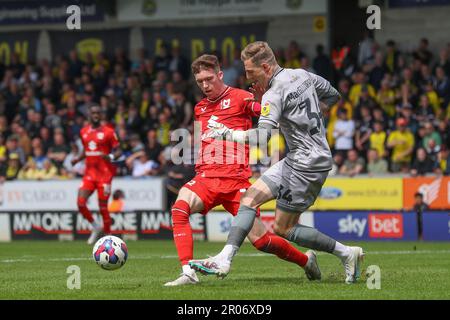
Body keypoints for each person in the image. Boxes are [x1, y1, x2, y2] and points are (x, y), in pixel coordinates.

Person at [189, 42, 364, 284]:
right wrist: (308, 119)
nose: (247, 76)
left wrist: (228, 134)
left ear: (265, 67)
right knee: (249, 198)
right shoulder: (301, 74)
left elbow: (262, 137)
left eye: (250, 71)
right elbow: (333, 95)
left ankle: (347, 253)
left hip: (307, 164)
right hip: (300, 158)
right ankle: (225, 258)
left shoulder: (273, 94)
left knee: (284, 229)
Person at [165, 54, 320, 287]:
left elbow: (272, 116)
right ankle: (188, 271)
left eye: (209, 79)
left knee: (262, 241)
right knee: (179, 209)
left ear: (220, 75)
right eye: (200, 82)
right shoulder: (199, 108)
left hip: (236, 181)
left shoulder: (241, 97)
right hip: (206, 177)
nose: (205, 85)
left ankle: (306, 261)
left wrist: (266, 102)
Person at [71, 105, 122, 245]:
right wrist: (77, 159)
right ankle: (95, 227)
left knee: (103, 207)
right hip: (89, 173)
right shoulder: (84, 131)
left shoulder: (109, 132)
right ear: (89, 114)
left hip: (105, 175)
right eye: (93, 112)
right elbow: (86, 149)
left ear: (101, 115)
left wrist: (110, 156)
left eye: (98, 112)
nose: (95, 114)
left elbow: (119, 151)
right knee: (80, 202)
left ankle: (108, 237)